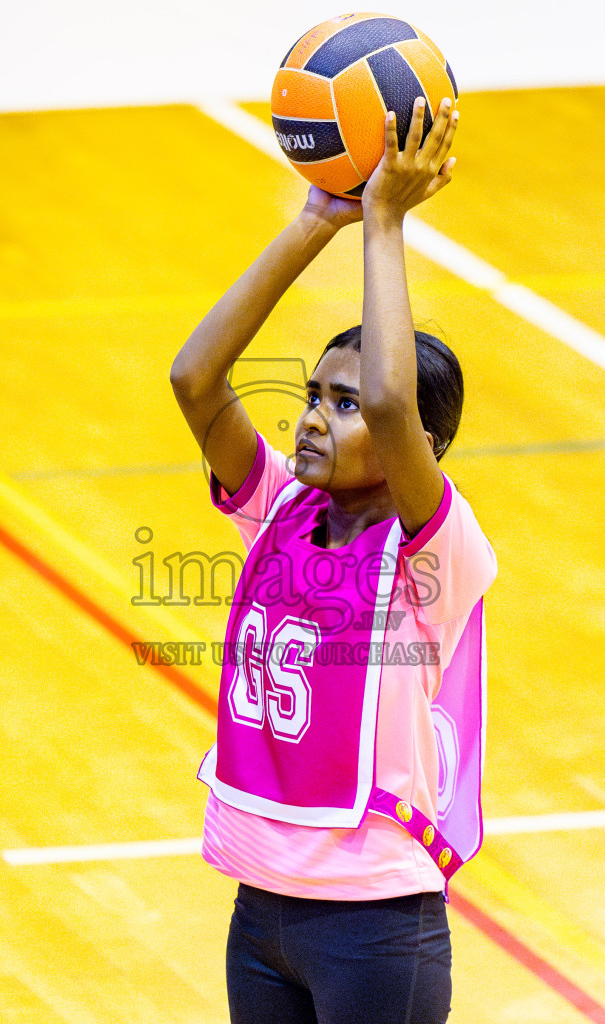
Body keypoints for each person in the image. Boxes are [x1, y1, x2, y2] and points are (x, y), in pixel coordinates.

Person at [169, 96, 498, 1024]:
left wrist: (384, 222)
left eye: (342, 404)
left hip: (373, 921)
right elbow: (195, 379)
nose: (314, 415)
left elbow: (396, 402)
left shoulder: (435, 550)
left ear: (418, 442)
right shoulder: (278, 506)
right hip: (262, 908)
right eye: (313, 395)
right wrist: (316, 219)